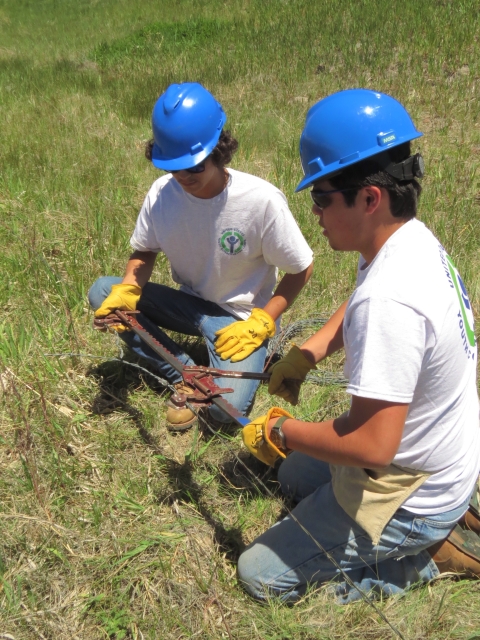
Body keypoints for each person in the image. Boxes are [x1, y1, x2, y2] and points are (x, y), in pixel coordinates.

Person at [238, 88, 480, 603]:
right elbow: (359, 299)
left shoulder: (391, 301)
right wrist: (311, 351)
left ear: (370, 197)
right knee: (295, 478)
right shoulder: (405, 239)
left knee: (259, 575)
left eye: (321, 198)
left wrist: (284, 428)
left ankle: (426, 555)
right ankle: (447, 514)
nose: (316, 213)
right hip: (443, 455)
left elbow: (373, 446)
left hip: (413, 490)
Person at [89, 82, 313, 430]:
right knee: (103, 292)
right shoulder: (162, 195)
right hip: (190, 305)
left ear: (218, 151)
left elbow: (301, 268)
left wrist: (263, 321)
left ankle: (241, 363)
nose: (182, 177)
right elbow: (145, 249)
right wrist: (129, 290)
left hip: (241, 319)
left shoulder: (261, 201)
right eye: (172, 167)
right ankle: (184, 373)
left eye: (193, 167)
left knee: (225, 412)